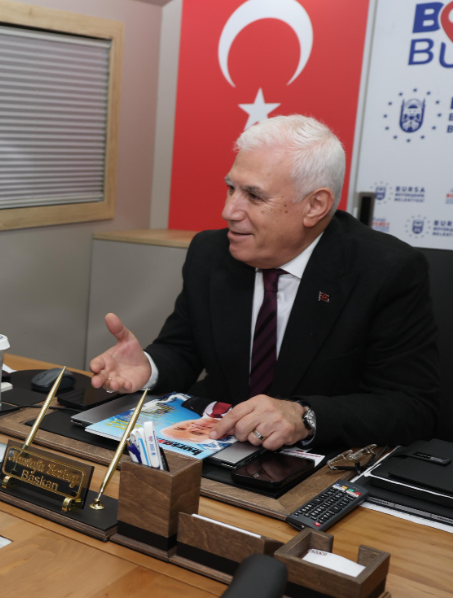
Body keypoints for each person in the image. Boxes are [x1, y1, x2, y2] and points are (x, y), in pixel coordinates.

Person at [89, 115, 440, 451]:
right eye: (231, 188)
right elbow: (183, 349)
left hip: (319, 461)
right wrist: (149, 367)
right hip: (216, 445)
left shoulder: (386, 270)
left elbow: (411, 406)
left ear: (315, 206)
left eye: (254, 196)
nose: (229, 211)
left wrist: (306, 417)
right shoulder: (210, 253)